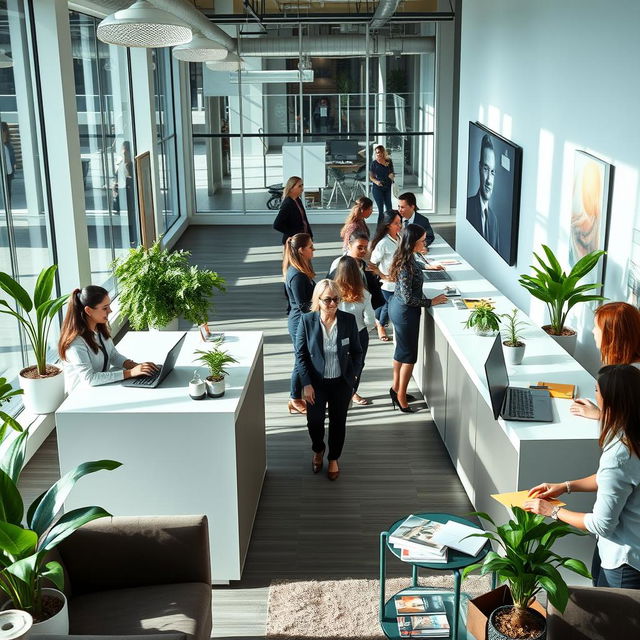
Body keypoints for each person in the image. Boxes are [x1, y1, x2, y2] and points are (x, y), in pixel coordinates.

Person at [525, 364, 640, 589]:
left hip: (624, 562)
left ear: (611, 401)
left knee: (614, 621)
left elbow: (601, 524)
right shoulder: (632, 433)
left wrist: (552, 511)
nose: (594, 395)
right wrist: (565, 486)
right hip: (630, 551)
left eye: (596, 390)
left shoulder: (619, 454)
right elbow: (614, 480)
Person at [295, 279, 363, 481]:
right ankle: (318, 449)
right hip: (315, 382)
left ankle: (333, 458)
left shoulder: (348, 320)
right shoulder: (307, 321)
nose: (332, 304)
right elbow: (301, 355)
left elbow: (357, 352)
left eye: (336, 299)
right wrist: (306, 384)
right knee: (314, 421)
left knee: (338, 422)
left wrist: (354, 376)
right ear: (318, 300)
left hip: (341, 382)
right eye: (327, 300)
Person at [388, 224, 448, 412]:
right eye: (422, 240)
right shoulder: (406, 266)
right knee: (409, 357)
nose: (425, 242)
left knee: (401, 352)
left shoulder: (406, 258)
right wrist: (431, 302)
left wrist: (428, 266)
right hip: (406, 313)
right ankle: (400, 398)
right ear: (413, 243)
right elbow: (408, 298)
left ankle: (396, 388)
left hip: (398, 309)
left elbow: (415, 265)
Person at [58, 286, 158, 391]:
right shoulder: (75, 342)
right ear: (88, 311)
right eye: (105, 308)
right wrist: (130, 373)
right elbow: (89, 378)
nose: (110, 310)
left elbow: (112, 355)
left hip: (101, 389)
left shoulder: (99, 328)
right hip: (82, 395)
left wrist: (134, 366)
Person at [571, 302, 640, 421]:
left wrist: (599, 414)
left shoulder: (627, 375)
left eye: (597, 327)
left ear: (611, 335)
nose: (593, 331)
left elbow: (629, 420)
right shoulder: (629, 367)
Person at [334, 255, 376, 405]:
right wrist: (364, 329)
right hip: (359, 334)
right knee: (357, 364)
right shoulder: (364, 294)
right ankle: (352, 392)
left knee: (336, 363)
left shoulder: (332, 292)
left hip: (336, 333)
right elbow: (370, 320)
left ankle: (336, 393)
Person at [283, 233, 316, 415]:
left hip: (300, 321)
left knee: (302, 358)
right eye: (310, 247)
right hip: (299, 324)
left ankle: (297, 396)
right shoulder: (297, 275)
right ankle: (294, 398)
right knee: (300, 360)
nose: (313, 249)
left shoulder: (300, 270)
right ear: (302, 250)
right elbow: (303, 305)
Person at [327, 230, 385, 311]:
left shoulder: (366, 266)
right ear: (349, 245)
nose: (363, 251)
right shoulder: (338, 263)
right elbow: (329, 286)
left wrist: (377, 277)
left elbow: (374, 293)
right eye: (359, 247)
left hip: (364, 310)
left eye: (365, 247)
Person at [370, 210, 402, 342]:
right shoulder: (383, 243)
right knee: (388, 306)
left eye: (400, 222)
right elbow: (371, 264)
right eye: (396, 223)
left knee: (389, 306)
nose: (399, 226)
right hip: (388, 284)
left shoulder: (400, 238)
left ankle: (380, 322)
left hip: (400, 281)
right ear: (388, 225)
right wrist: (383, 276)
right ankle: (380, 325)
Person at [466, 133, 500, 252]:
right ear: (479, 168)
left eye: (492, 172)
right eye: (486, 169)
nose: (489, 181)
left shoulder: (494, 220)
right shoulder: (467, 207)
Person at [112, 140, 137, 247]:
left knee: (132, 216)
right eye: (122, 153)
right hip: (123, 195)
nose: (124, 155)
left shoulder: (133, 166)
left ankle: (133, 237)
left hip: (131, 196)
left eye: (126, 153)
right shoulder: (121, 166)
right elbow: (116, 181)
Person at [273, 176, 313, 245]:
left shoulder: (297, 200)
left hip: (302, 239)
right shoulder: (287, 204)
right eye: (299, 186)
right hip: (293, 241)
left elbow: (304, 220)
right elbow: (277, 225)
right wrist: (293, 233)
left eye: (302, 185)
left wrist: (310, 236)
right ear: (291, 188)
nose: (302, 188)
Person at [370, 145, 394, 224]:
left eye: (380, 152)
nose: (378, 154)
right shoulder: (374, 163)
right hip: (377, 188)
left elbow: (392, 174)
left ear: (383, 152)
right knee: (381, 210)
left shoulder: (389, 161)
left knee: (389, 208)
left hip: (387, 187)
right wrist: (377, 182)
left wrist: (391, 175)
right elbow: (371, 177)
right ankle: (379, 229)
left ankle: (390, 227)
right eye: (377, 152)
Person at [1, 122, 15, 206]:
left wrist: (14, 166)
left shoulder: (8, 145)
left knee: (8, 190)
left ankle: (7, 205)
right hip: (4, 171)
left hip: (8, 171)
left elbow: (12, 157)